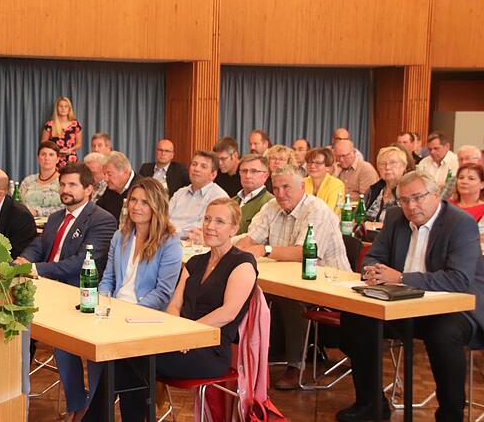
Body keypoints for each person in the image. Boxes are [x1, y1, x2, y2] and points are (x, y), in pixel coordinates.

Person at [337, 170, 484, 422]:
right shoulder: (395, 218)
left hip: (455, 305)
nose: (410, 206)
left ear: (436, 195)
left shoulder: (460, 223)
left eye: (417, 198)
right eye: (404, 200)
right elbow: (373, 257)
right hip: (404, 302)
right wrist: (373, 271)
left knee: (443, 332)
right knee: (357, 319)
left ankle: (451, 414)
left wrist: (401, 278)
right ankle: (371, 403)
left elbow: (458, 280)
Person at [15, 163, 116, 422]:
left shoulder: (102, 219)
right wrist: (23, 260)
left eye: (72, 185)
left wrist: (35, 268)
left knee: (75, 344)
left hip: (81, 292)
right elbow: (38, 245)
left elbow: (81, 262)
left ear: (89, 189)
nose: (65, 190)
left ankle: (94, 409)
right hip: (49, 290)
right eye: (62, 184)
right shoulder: (57, 217)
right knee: (49, 339)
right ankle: (76, 403)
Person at [236, 165, 349, 390]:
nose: (280, 193)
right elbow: (251, 239)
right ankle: (248, 354)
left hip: (329, 282)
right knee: (244, 287)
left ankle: (295, 365)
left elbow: (302, 253)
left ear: (302, 186)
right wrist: (236, 254)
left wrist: (265, 249)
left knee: (290, 299)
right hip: (285, 275)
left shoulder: (317, 210)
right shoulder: (271, 206)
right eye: (276, 188)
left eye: (286, 187)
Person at [83, 178, 183, 421]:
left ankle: (95, 417)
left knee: (122, 364)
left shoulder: (170, 242)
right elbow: (107, 278)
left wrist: (128, 313)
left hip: (145, 318)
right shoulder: (121, 236)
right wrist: (104, 302)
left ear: (157, 207)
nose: (136, 207)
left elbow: (162, 293)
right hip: (114, 314)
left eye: (144, 202)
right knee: (117, 364)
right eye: (133, 201)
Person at [157, 198, 257, 381]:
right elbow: (174, 305)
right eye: (207, 219)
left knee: (137, 359)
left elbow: (228, 313)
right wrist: (175, 334)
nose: (210, 226)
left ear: (234, 230)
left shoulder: (243, 262)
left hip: (211, 351)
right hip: (181, 340)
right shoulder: (195, 262)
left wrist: (191, 334)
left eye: (219, 222)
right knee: (126, 355)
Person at [169, 151, 229, 240]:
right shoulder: (180, 193)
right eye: (194, 164)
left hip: (193, 245)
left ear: (213, 174)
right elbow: (163, 220)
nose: (196, 169)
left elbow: (202, 231)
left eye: (203, 166)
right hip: (166, 240)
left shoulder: (219, 197)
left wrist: (172, 234)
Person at [364, 146, 408, 223]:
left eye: (393, 163)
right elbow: (358, 216)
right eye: (382, 164)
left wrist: (376, 226)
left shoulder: (407, 191)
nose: (387, 167)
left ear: (404, 166)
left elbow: (409, 223)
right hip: (368, 234)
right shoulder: (373, 190)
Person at [232, 154, 274, 235]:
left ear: (265, 176)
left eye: (254, 171)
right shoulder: (232, 201)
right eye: (244, 171)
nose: (247, 176)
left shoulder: (270, 203)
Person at [20, 141, 63, 217]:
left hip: (55, 224)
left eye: (51, 155)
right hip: (28, 222)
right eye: (43, 154)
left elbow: (66, 207)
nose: (47, 158)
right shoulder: (28, 181)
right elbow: (19, 204)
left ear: (57, 159)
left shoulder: (63, 181)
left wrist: (38, 212)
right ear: (38, 158)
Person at [97, 151, 141, 221]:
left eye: (109, 174)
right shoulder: (111, 188)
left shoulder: (143, 188)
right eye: (104, 174)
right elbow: (98, 211)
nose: (105, 179)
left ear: (125, 171)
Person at [41, 96, 82, 168]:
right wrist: (55, 151)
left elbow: (79, 143)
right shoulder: (50, 124)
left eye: (66, 106)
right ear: (57, 108)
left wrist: (70, 150)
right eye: (61, 106)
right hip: (54, 158)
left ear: (69, 109)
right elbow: (44, 142)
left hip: (70, 158)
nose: (63, 108)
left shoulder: (75, 125)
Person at [304, 147, 346, 212]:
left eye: (318, 163)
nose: (312, 166)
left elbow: (328, 212)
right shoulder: (302, 183)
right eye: (309, 162)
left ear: (328, 167)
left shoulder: (336, 185)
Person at [450, 163, 484, 239]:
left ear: (482, 184)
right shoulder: (446, 206)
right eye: (461, 178)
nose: (464, 182)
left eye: (471, 178)